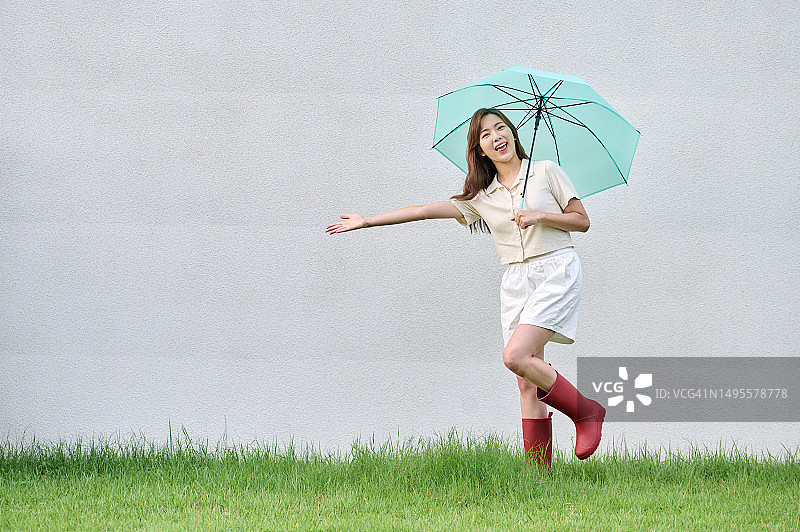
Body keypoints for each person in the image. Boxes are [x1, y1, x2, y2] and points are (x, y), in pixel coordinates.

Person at [325, 108, 606, 469]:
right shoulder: (482, 196)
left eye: (501, 128)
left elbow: (581, 221)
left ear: (514, 135)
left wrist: (540, 216)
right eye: (485, 135)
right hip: (515, 280)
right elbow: (425, 210)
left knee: (515, 357)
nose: (496, 137)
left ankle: (586, 412)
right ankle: (540, 480)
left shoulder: (545, 171)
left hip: (555, 268)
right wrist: (368, 221)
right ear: (481, 150)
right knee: (525, 381)